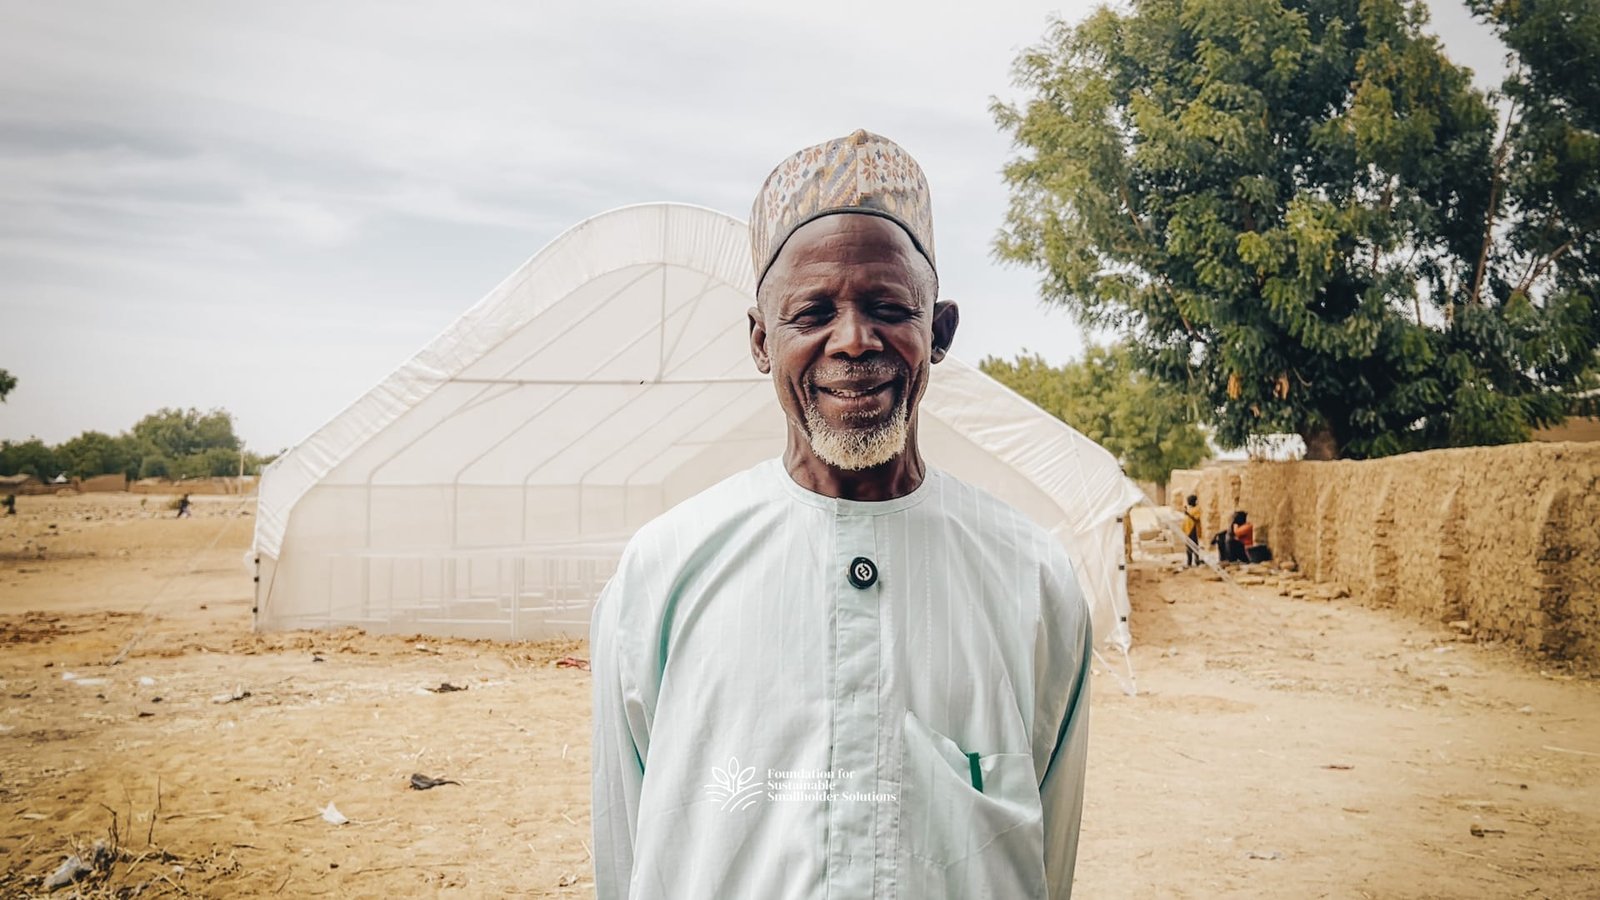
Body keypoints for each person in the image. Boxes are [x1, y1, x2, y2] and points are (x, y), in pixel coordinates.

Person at [591, 130, 1092, 899]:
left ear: (942, 331)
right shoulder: (667, 568)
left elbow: (1048, 858)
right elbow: (628, 849)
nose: (854, 341)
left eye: (888, 307)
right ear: (761, 340)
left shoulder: (1031, 576)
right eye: (811, 313)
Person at [1181, 494, 1201, 567]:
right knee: (1188, 547)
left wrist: (1188, 514)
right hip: (1188, 530)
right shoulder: (1190, 509)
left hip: (1193, 529)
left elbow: (1196, 519)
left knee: (1194, 545)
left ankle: (1197, 561)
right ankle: (1189, 562)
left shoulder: (1197, 509)